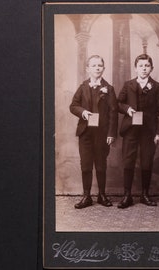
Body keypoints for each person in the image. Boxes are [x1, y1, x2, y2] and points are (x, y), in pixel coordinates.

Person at [117, 54, 159, 208]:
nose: (144, 69)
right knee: (128, 161)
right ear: (135, 68)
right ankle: (127, 196)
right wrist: (127, 109)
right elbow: (118, 103)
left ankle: (145, 195)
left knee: (147, 162)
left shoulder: (157, 87)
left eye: (147, 66)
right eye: (141, 66)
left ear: (151, 68)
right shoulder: (128, 85)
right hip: (130, 130)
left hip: (149, 131)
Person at [70, 55, 118, 209]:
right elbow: (73, 105)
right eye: (94, 65)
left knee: (101, 165)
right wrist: (83, 112)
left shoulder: (109, 89)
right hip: (85, 133)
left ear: (103, 68)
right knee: (85, 165)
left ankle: (102, 195)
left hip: (102, 133)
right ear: (88, 69)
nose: (97, 68)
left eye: (100, 65)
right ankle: (86, 196)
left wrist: (111, 133)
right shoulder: (83, 87)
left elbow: (113, 112)